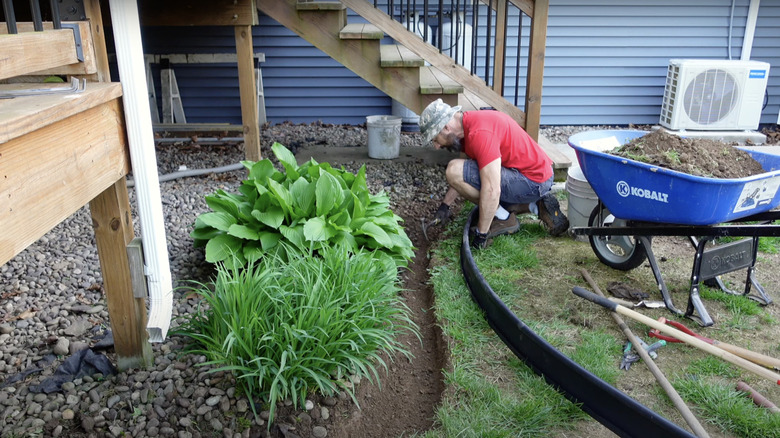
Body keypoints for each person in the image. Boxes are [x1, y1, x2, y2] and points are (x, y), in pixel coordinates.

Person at [420, 99, 569, 248]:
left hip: (533, 180)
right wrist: (445, 205)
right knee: (475, 186)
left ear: (446, 127)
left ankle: (504, 219)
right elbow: (467, 174)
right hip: (535, 175)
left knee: (455, 170)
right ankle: (535, 205)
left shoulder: (480, 133)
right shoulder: (469, 125)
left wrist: (481, 234)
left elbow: (491, 189)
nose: (436, 146)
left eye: (435, 139)